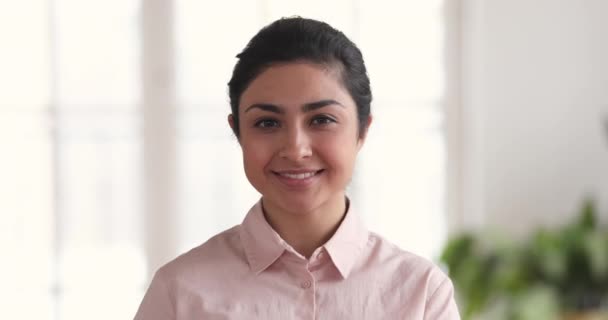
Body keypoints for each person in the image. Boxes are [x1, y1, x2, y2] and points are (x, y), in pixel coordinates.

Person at [134, 17, 460, 319]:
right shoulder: (180, 293)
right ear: (238, 133)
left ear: (362, 131)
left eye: (321, 120)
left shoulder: (421, 294)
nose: (295, 149)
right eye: (267, 122)